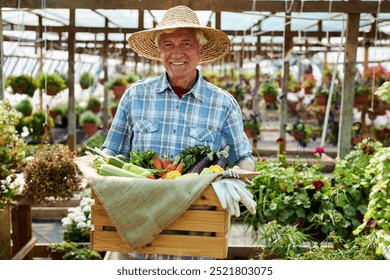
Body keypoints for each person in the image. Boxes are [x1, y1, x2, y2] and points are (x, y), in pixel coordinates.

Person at [101, 5, 256, 260]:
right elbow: (111, 151)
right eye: (168, 45)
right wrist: (98, 172)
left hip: (194, 242)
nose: (177, 53)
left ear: (200, 50)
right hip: (136, 238)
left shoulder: (223, 103)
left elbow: (243, 158)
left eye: (186, 43)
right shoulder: (135, 95)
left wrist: (233, 181)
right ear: (159, 51)